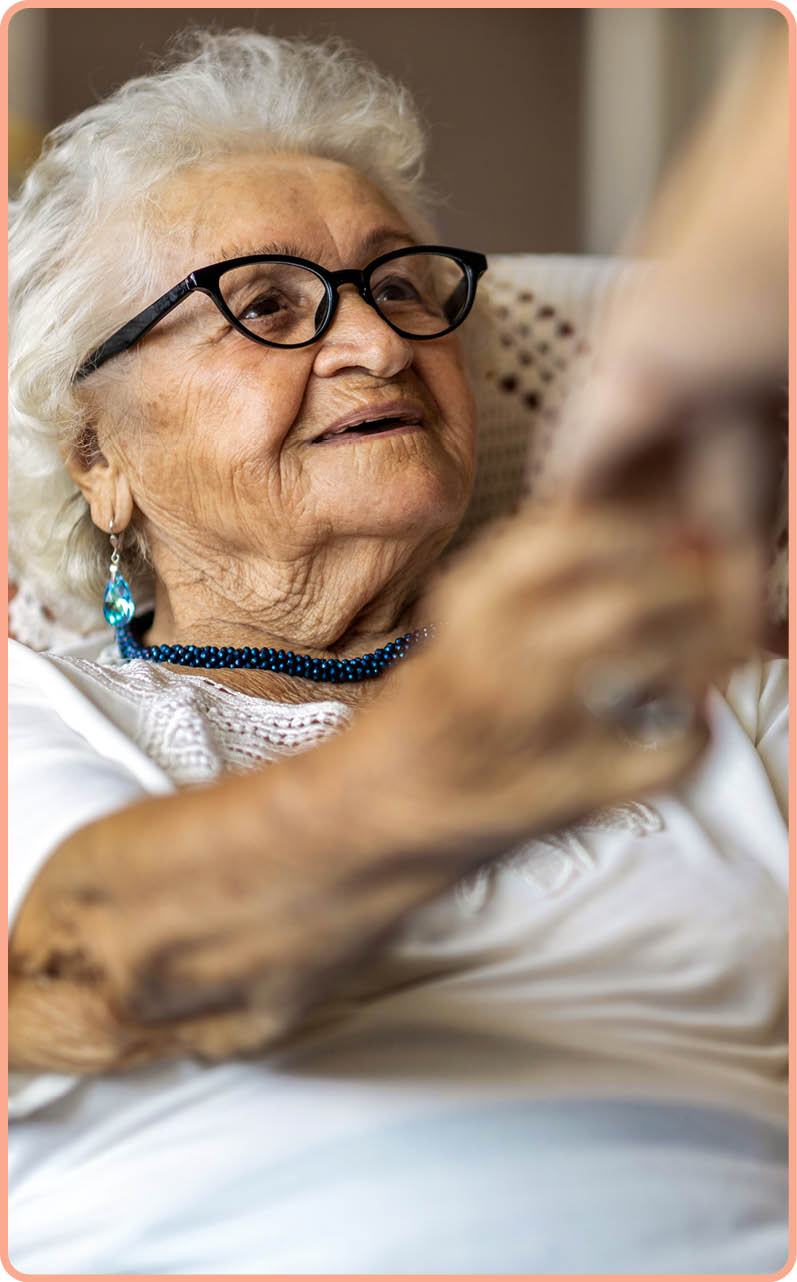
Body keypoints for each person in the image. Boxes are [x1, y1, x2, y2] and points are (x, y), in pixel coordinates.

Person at [8, 29, 787, 1274]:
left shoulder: (718, 682)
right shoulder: (31, 705)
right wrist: (440, 762)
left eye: (404, 288)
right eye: (263, 306)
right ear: (99, 458)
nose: (375, 343)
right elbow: (75, 967)